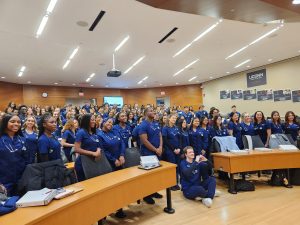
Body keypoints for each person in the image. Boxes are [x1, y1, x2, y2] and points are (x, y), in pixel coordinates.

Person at [97, 117, 127, 218]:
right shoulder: (100, 135)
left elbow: (122, 143)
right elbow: (103, 151)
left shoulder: (115, 130)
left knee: (119, 187)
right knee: (109, 189)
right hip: (108, 164)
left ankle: (119, 209)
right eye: (108, 122)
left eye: (112, 122)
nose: (111, 124)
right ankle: (106, 210)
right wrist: (114, 160)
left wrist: (122, 155)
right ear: (103, 123)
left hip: (120, 162)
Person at [139, 107, 163, 204]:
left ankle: (153, 191)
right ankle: (146, 195)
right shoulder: (143, 125)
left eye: (153, 110)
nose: (153, 112)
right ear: (145, 113)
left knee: (155, 174)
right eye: (150, 111)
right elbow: (144, 141)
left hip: (157, 151)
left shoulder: (156, 123)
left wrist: (160, 147)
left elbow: (160, 135)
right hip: (148, 153)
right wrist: (155, 149)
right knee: (148, 175)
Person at [0, 114, 28, 196]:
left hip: (21, 179)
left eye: (19, 122)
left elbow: (27, 159)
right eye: (12, 121)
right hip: (4, 181)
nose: (16, 124)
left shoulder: (22, 139)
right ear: (5, 123)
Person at [74, 114, 102, 182]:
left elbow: (98, 145)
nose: (94, 121)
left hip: (93, 161)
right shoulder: (81, 132)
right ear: (86, 121)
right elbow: (76, 149)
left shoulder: (93, 132)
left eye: (94, 120)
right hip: (83, 163)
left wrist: (98, 150)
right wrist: (93, 153)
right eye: (92, 120)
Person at [162, 114, 181, 191]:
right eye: (173, 118)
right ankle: (171, 184)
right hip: (170, 150)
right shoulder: (165, 128)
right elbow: (165, 140)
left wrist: (179, 148)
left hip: (177, 150)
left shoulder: (176, 128)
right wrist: (173, 149)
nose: (174, 119)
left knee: (177, 166)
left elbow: (179, 139)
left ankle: (176, 183)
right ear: (169, 119)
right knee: (172, 167)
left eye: (175, 118)